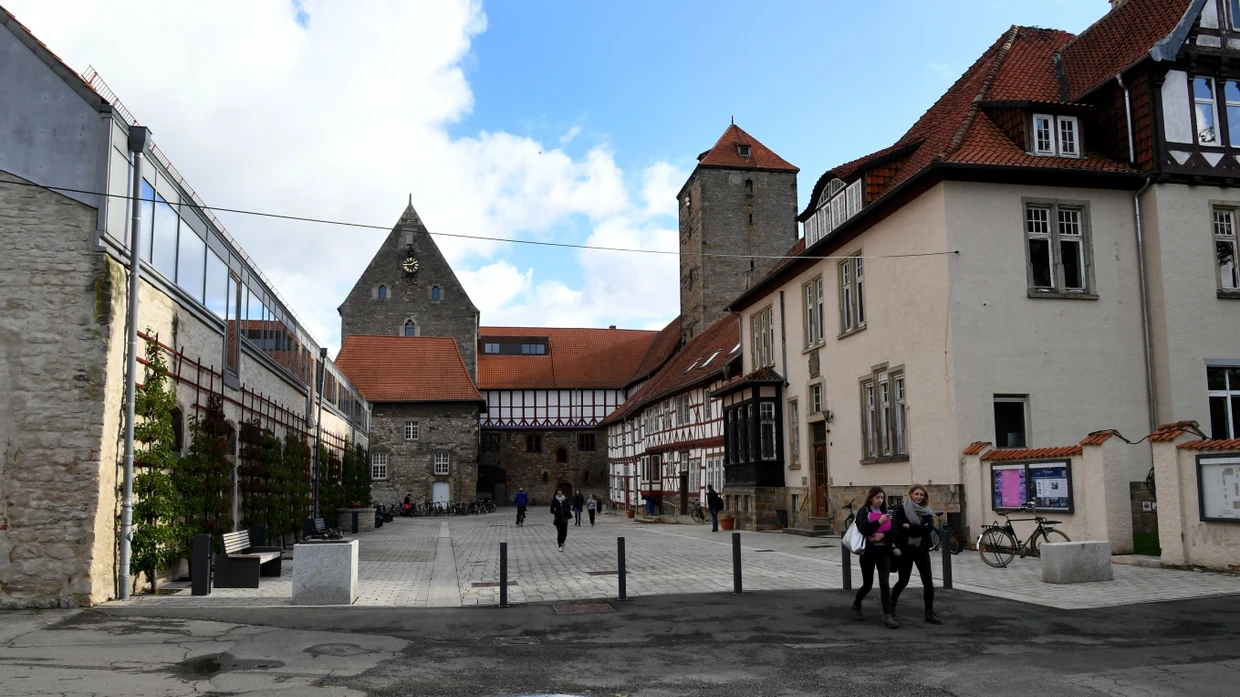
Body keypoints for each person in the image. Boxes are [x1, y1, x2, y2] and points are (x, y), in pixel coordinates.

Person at [891, 484, 942, 625]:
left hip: (922, 549)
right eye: (916, 494)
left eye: (921, 495)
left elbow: (929, 529)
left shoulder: (927, 510)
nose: (919, 497)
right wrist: (920, 528)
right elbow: (899, 526)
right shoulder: (902, 508)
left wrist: (911, 527)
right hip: (906, 549)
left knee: (928, 582)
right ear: (911, 494)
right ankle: (891, 605)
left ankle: (929, 612)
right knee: (903, 580)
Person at [852, 485, 899, 629]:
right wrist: (878, 522)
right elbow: (863, 529)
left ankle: (887, 615)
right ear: (871, 498)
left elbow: (895, 531)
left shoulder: (887, 512)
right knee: (868, 584)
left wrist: (883, 535)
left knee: (884, 583)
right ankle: (856, 604)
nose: (880, 500)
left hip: (883, 551)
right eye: (877, 497)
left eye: (882, 498)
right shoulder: (864, 511)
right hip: (868, 552)